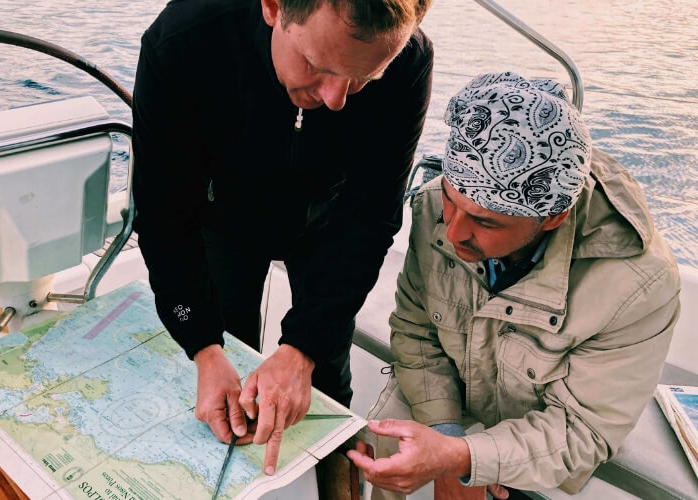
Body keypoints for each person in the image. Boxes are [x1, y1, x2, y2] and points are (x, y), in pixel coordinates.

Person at [130, 0, 434, 476]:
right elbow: (164, 214)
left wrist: (304, 347)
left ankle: (334, 478)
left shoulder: (408, 59)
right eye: (317, 65)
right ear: (274, 7)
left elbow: (369, 218)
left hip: (330, 223)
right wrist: (203, 347)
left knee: (325, 373)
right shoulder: (182, 40)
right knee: (226, 353)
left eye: (363, 79)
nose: (336, 99)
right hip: (225, 215)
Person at [347, 72, 681, 499]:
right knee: (384, 448)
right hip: (446, 397)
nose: (453, 232)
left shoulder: (640, 284)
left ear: (554, 217)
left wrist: (465, 460)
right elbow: (416, 333)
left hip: (539, 436)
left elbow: (583, 430)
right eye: (450, 198)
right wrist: (447, 437)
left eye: (486, 222)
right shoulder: (433, 205)